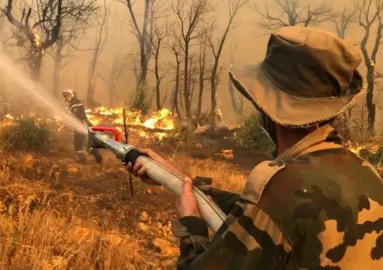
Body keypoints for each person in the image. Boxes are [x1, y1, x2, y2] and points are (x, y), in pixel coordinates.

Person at [128, 26, 383, 269]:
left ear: (268, 110)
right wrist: (179, 180)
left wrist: (191, 223)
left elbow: (272, 209)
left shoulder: (279, 184)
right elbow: (266, 215)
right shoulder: (367, 174)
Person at [61, 88, 102, 164]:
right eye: (65, 96)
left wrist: (68, 115)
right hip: (80, 126)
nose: (66, 97)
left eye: (67, 96)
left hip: (80, 126)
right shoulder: (74, 103)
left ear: (72, 95)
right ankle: (97, 155)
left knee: (78, 143)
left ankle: (83, 158)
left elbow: (78, 115)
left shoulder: (75, 103)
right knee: (85, 144)